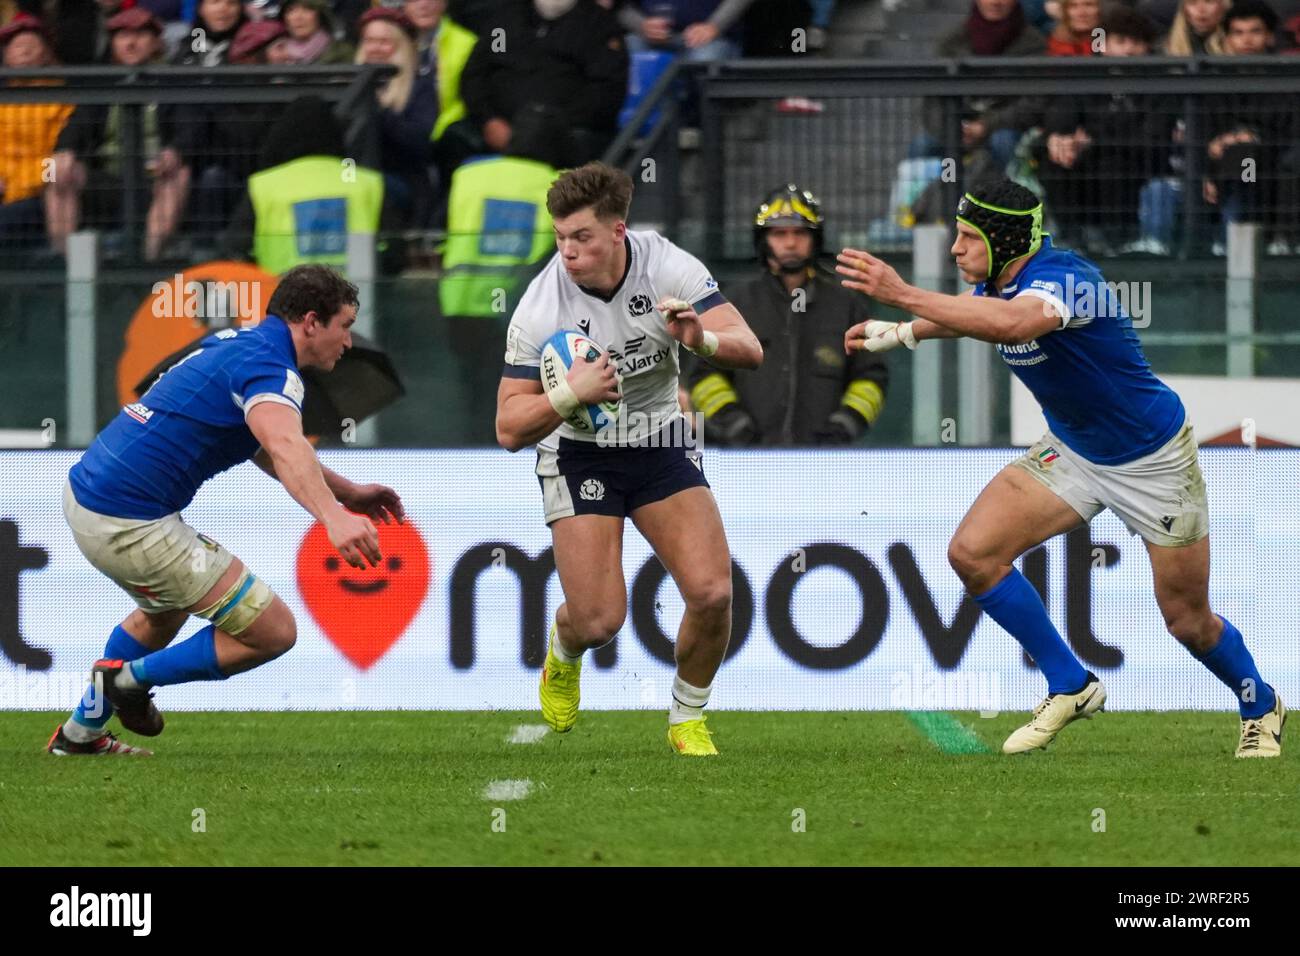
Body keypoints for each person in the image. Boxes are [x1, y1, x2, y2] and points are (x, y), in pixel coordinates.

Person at [836, 179, 1284, 758]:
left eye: (968, 237)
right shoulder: (996, 282)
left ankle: (1259, 703)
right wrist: (899, 333)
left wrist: (901, 296)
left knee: (1187, 621)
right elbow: (978, 314)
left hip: (1152, 459)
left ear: (1004, 240)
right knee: (973, 554)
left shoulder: (1067, 280)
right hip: (1072, 450)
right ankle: (1071, 683)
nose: (955, 249)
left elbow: (1014, 324)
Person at [49, 265, 404, 756]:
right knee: (272, 632)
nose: (347, 341)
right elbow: (282, 443)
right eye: (344, 325)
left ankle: (79, 735)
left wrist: (344, 493)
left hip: (92, 495)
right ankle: (126, 683)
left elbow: (264, 444)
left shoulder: (238, 344)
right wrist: (333, 518)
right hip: (128, 518)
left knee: (163, 613)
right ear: (310, 322)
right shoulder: (270, 368)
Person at [496, 162, 763, 755]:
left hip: (659, 438)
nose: (567, 251)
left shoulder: (668, 266)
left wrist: (702, 340)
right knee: (598, 622)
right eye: (560, 237)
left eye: (582, 237)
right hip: (579, 454)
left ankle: (686, 719)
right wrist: (570, 395)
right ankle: (563, 650)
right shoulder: (541, 307)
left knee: (713, 592)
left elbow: (750, 348)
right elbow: (508, 426)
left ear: (619, 231)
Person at [688, 184, 889, 446]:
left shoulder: (847, 305)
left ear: (816, 240)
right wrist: (734, 424)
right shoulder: (734, 304)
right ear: (763, 241)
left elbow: (871, 377)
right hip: (746, 459)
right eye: (779, 233)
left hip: (829, 459)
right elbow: (704, 375)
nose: (791, 242)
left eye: (800, 233)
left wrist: (843, 426)